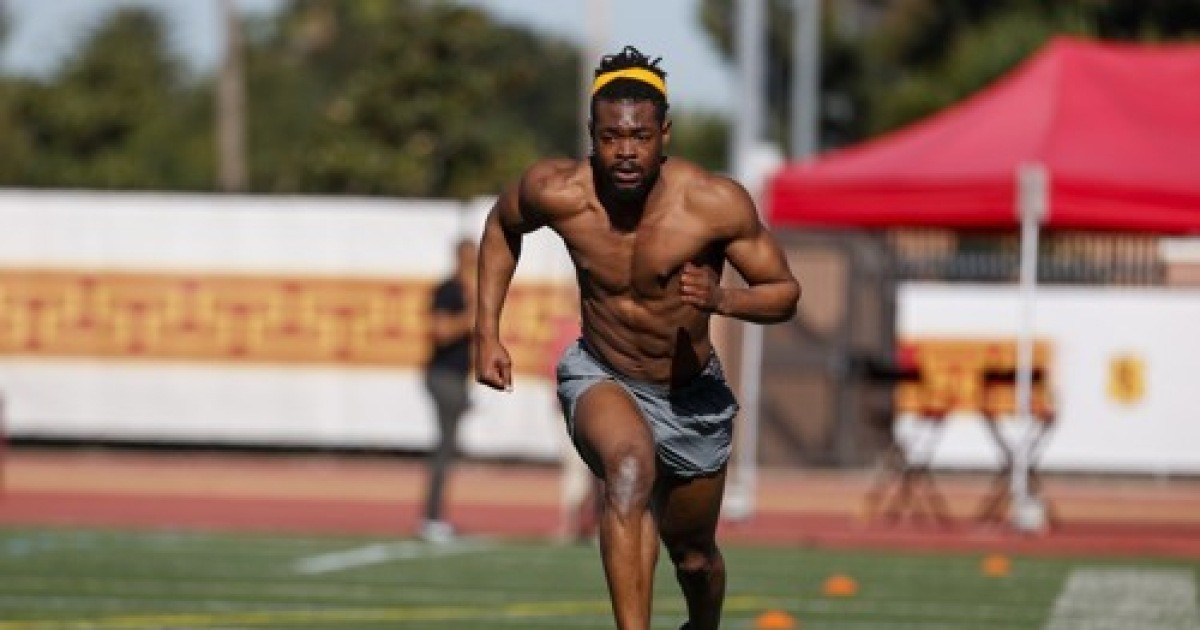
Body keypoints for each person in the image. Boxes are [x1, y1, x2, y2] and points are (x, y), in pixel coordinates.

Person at [474, 46, 801, 630]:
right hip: (602, 373)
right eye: (611, 137)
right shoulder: (559, 191)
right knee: (627, 472)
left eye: (641, 137)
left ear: (664, 134)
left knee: (694, 558)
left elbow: (784, 293)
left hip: (689, 396)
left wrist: (724, 298)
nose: (626, 151)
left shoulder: (712, 203)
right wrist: (485, 332)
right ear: (592, 134)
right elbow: (502, 227)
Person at [421, 238, 477, 544]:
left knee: (449, 449)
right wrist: (470, 318)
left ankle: (435, 515)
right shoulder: (449, 290)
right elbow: (441, 331)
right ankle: (431, 517)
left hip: (456, 378)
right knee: (445, 449)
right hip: (443, 376)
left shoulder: (470, 292)